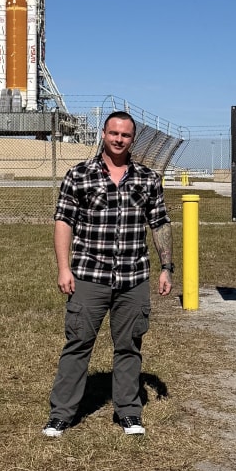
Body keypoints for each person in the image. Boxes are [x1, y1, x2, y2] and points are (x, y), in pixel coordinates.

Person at [43, 110, 173, 438]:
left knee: (129, 346)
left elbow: (159, 223)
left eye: (126, 135)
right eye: (114, 133)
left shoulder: (147, 179)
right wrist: (64, 268)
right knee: (78, 344)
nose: (119, 139)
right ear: (103, 134)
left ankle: (128, 412)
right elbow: (64, 222)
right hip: (89, 275)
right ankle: (61, 415)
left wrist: (167, 268)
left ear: (133, 139)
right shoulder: (79, 175)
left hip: (133, 278)